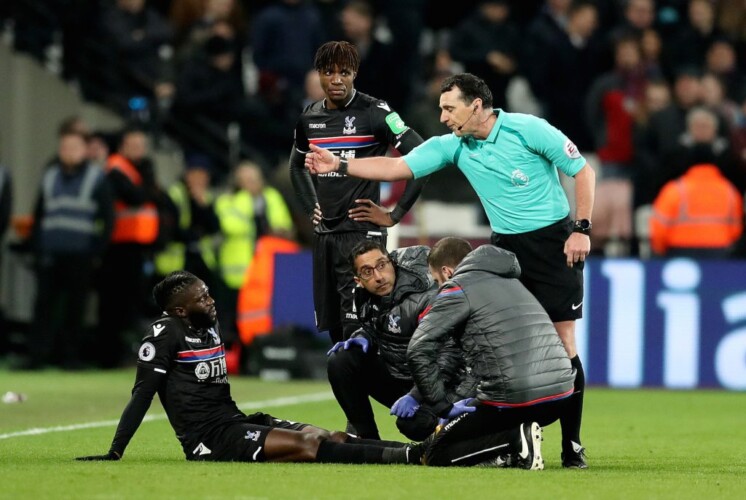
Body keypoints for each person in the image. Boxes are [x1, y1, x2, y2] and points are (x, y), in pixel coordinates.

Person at [306, 72, 595, 468]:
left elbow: (582, 171)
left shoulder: (528, 129)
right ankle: (510, 438)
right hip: (503, 251)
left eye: (449, 108)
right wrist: (339, 164)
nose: (443, 118)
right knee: (497, 345)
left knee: (563, 345)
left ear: (476, 105)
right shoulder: (453, 146)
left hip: (553, 245)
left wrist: (581, 229)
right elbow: (397, 167)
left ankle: (572, 445)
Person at [75, 270, 419, 465]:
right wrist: (115, 450)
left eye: (208, 293)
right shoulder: (165, 334)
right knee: (308, 446)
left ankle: (418, 450)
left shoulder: (209, 322)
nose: (211, 301)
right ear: (180, 311)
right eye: (201, 299)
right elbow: (142, 394)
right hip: (211, 439)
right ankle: (411, 456)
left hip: (237, 421)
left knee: (329, 436)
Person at [289, 40, 428, 345]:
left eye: (345, 72)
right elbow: (296, 167)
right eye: (329, 72)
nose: (336, 79)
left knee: (362, 328)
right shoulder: (309, 118)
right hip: (326, 237)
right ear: (319, 74)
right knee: (336, 332)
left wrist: (395, 214)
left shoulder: (375, 112)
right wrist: (311, 205)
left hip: (362, 234)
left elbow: (422, 157)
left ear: (355, 74)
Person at [408, 240, 577, 469]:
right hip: (560, 397)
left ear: (447, 272)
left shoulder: (457, 288)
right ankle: (516, 448)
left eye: (438, 280)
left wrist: (441, 406)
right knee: (479, 431)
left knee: (435, 452)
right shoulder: (512, 281)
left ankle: (516, 439)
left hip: (513, 399)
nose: (439, 287)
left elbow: (418, 348)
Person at [327, 239, 474, 441]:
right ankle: (368, 441)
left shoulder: (427, 295)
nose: (378, 277)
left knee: (415, 425)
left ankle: (460, 436)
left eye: (381, 265)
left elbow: (448, 355)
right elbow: (378, 324)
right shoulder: (365, 295)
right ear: (358, 280)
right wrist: (363, 335)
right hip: (403, 378)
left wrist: (415, 396)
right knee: (341, 360)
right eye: (367, 272)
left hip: (441, 385)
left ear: (392, 263)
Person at [26, 130, 114, 369]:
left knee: (75, 307)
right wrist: (36, 247)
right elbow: (39, 214)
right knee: (43, 305)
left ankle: (70, 357)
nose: (69, 152)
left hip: (80, 253)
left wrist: (97, 251)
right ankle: (37, 357)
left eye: (74, 147)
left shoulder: (96, 177)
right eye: (64, 147)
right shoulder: (50, 175)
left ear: (85, 150)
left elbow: (107, 218)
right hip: (50, 251)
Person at [97, 126, 164, 368]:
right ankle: (108, 356)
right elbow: (136, 196)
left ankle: (123, 353)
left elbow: (157, 198)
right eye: (133, 145)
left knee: (131, 303)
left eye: (141, 146)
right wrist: (149, 186)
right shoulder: (117, 168)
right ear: (123, 146)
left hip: (137, 248)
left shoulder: (138, 170)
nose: (139, 150)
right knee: (115, 302)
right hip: (119, 247)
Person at [214, 160, 295, 346]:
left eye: (255, 179)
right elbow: (231, 226)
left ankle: (255, 350)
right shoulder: (227, 200)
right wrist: (245, 200)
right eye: (246, 180)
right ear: (237, 182)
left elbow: (284, 226)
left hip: (264, 273)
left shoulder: (271, 196)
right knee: (230, 318)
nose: (252, 184)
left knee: (259, 317)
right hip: (236, 274)